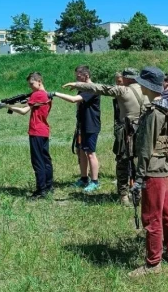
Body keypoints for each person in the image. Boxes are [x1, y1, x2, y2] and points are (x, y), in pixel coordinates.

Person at [61, 68, 147, 205]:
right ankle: (141, 192)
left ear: (126, 78)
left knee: (123, 164)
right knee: (141, 163)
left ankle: (123, 195)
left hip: (127, 132)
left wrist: (77, 84)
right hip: (144, 133)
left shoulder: (123, 90)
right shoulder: (147, 91)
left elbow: (100, 88)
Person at [128, 66, 168, 277]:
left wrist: (139, 179)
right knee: (167, 212)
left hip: (152, 172)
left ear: (146, 86)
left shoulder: (153, 113)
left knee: (151, 218)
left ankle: (153, 263)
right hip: (164, 168)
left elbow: (145, 148)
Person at [2, 72, 53, 199]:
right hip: (44, 131)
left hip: (36, 131)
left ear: (39, 81)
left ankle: (41, 191)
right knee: (46, 159)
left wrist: (7, 106)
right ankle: (49, 186)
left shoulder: (37, 94)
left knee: (38, 161)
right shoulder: (47, 95)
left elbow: (24, 111)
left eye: (32, 83)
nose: (30, 86)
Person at [52, 65, 101, 193]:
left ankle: (95, 182)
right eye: (76, 77)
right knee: (80, 151)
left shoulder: (91, 88)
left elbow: (74, 100)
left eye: (79, 77)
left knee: (90, 153)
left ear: (86, 76)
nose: (77, 79)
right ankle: (84, 178)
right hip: (82, 124)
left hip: (91, 125)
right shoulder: (82, 88)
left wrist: (55, 94)